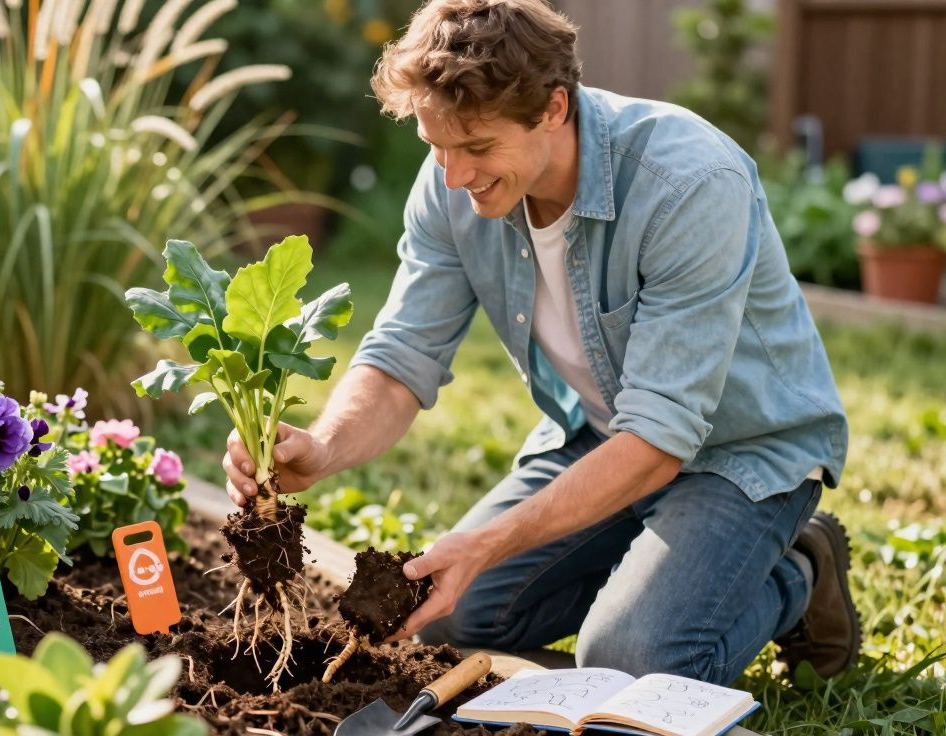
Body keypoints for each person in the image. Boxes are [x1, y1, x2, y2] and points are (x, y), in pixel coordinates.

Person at [222, 0, 862, 685]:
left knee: (630, 659)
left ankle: (800, 570)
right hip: (599, 437)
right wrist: (321, 448)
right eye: (436, 146)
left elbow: (661, 440)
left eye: (476, 148)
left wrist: (492, 542)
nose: (453, 176)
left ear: (554, 109)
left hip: (742, 455)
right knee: (448, 617)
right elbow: (403, 355)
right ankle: (660, 575)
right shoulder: (450, 187)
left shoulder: (690, 184)